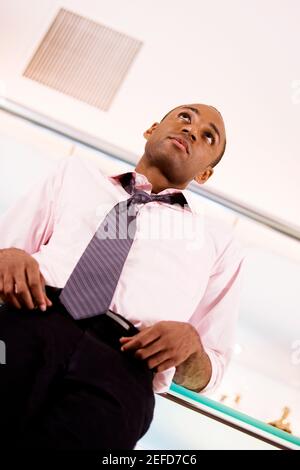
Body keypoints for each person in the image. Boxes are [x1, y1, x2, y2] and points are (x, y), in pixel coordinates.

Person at [0, 103, 244, 450]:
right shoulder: (74, 174)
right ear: (151, 128)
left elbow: (209, 373)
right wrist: (6, 256)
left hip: (123, 371)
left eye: (208, 136)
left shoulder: (221, 244)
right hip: (29, 322)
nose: (191, 130)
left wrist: (190, 346)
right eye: (185, 117)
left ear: (204, 174)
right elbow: (5, 256)